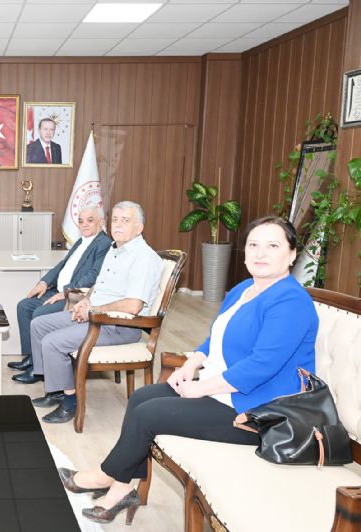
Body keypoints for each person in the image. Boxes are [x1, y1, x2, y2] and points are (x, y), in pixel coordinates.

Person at [57, 216, 318, 525]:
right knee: (141, 397)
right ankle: (123, 486)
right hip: (224, 390)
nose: (260, 253)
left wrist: (200, 388)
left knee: (149, 414)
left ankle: (106, 476)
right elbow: (215, 337)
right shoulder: (244, 289)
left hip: (258, 412)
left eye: (272, 246)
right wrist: (193, 362)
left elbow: (261, 366)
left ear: (291, 254)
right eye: (253, 245)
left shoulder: (291, 301)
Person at [26, 201, 163, 425]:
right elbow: (99, 285)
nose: (118, 225)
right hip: (96, 316)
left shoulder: (143, 258)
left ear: (139, 228)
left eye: (125, 221)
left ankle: (70, 402)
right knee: (39, 324)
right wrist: (86, 301)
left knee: (52, 342)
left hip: (119, 326)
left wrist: (94, 309)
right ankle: (57, 390)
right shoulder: (114, 249)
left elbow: (133, 306)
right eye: (115, 220)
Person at [10, 205, 112, 383]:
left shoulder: (104, 243)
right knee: (24, 306)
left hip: (77, 296)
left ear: (101, 222)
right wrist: (44, 282)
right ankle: (32, 357)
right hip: (58, 291)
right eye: (81, 221)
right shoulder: (81, 241)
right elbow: (62, 265)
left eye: (90, 220)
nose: (84, 225)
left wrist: (66, 292)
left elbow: (94, 275)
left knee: (39, 313)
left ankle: (40, 370)